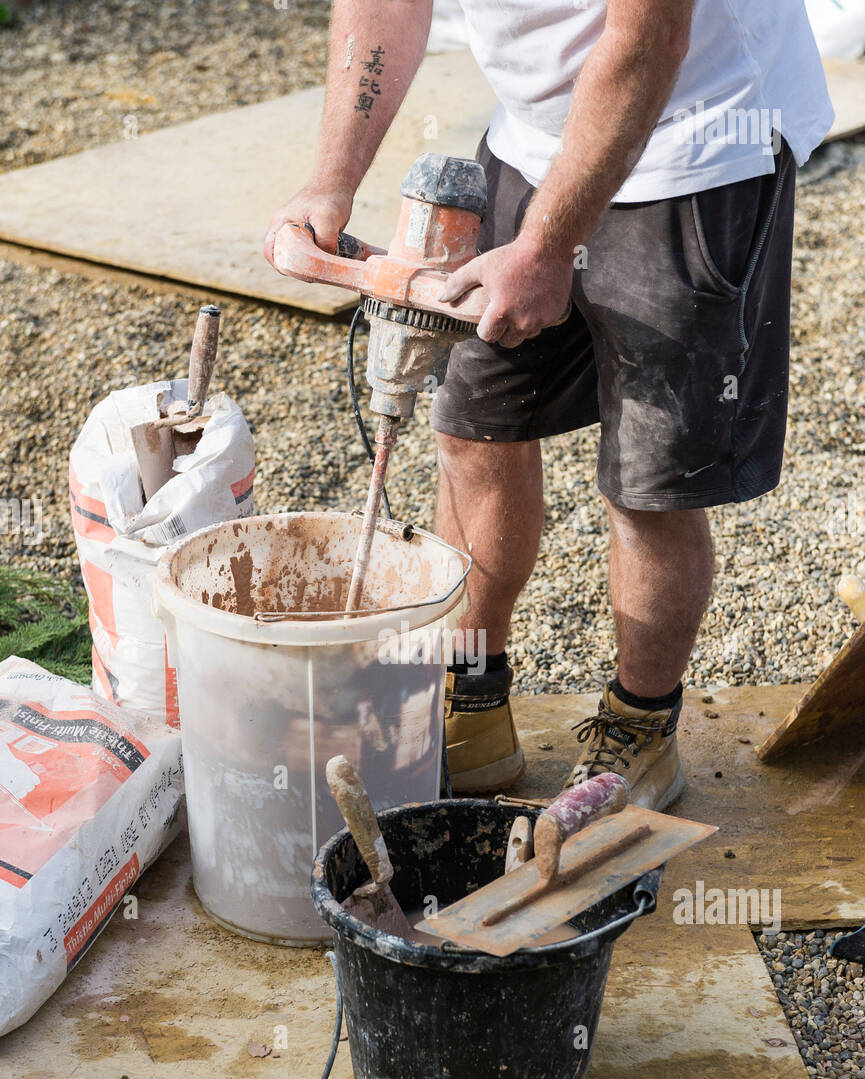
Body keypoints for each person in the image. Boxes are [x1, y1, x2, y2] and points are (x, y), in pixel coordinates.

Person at [265, 0, 833, 807]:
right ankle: (471, 701)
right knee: (474, 431)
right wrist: (330, 179)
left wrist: (544, 246)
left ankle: (638, 727)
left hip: (699, 134)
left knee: (648, 485)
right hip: (535, 133)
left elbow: (646, 39)